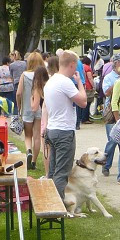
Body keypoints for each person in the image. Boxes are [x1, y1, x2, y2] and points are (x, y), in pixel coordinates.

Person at [43, 50, 87, 204]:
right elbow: (83, 102)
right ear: (72, 65)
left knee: (53, 171)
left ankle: (50, 200)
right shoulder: (65, 82)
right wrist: (80, 83)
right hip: (64, 131)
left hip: (53, 129)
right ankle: (58, 205)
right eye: (76, 66)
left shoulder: (51, 80)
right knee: (62, 172)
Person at [17, 52, 45, 169]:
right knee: (37, 136)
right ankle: (33, 161)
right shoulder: (43, 75)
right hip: (38, 108)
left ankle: (28, 151)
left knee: (28, 135)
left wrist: (19, 107)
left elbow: (19, 93)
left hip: (27, 109)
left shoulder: (24, 75)